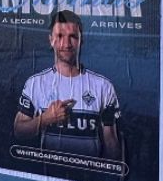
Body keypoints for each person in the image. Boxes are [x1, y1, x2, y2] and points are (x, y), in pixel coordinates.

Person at [13, 9, 122, 161]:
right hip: (49, 173)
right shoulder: (35, 83)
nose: (66, 44)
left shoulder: (103, 86)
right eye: (60, 36)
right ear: (51, 40)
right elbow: (19, 130)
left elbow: (111, 142)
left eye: (73, 37)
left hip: (89, 174)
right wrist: (45, 119)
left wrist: (109, 173)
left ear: (81, 40)